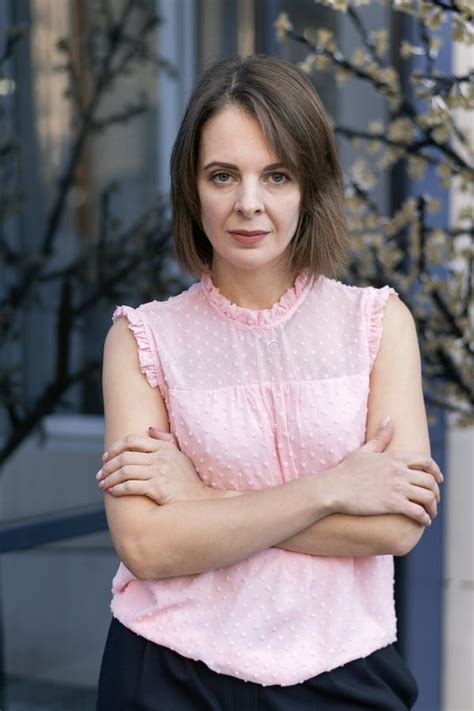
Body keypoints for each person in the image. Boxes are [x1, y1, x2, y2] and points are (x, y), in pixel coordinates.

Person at [95, 54, 443, 710]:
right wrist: (334, 489)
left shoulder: (377, 324)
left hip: (344, 667)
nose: (248, 204)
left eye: (276, 175)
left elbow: (396, 527)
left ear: (309, 184)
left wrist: (198, 496)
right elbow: (147, 543)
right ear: (191, 187)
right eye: (222, 175)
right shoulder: (142, 339)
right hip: (171, 667)